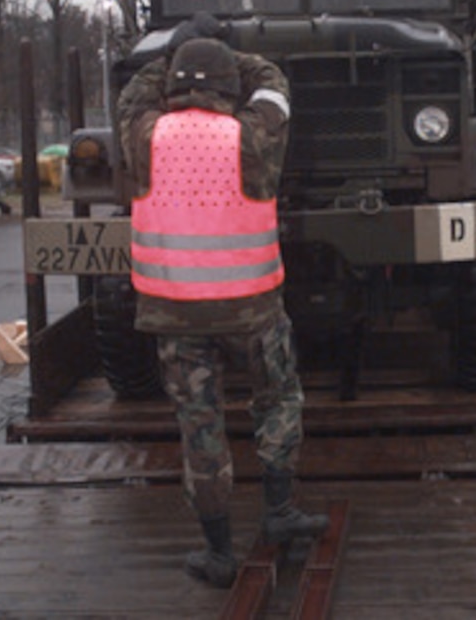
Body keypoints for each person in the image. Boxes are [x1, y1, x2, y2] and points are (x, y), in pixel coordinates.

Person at [117, 34, 329, 588]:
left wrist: (169, 60)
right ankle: (279, 514)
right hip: (253, 310)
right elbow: (276, 87)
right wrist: (240, 58)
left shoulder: (144, 136)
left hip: (175, 317)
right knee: (278, 401)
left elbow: (131, 98)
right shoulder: (252, 135)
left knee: (200, 425)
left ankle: (218, 553)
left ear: (171, 85)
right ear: (231, 85)